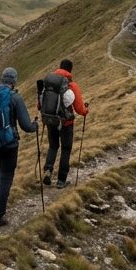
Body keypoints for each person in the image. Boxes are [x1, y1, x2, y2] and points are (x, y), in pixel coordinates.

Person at [0, 67, 38, 228]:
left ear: (2, 79)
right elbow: (26, 126)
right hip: (9, 144)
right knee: (6, 177)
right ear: (14, 81)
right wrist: (35, 125)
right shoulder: (15, 98)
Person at [40, 59, 88, 189]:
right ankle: (61, 180)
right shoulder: (71, 85)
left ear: (59, 67)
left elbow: (41, 103)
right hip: (66, 123)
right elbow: (79, 108)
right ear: (70, 70)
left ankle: (48, 170)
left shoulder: (49, 82)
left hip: (51, 121)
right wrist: (85, 111)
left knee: (53, 146)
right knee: (66, 149)